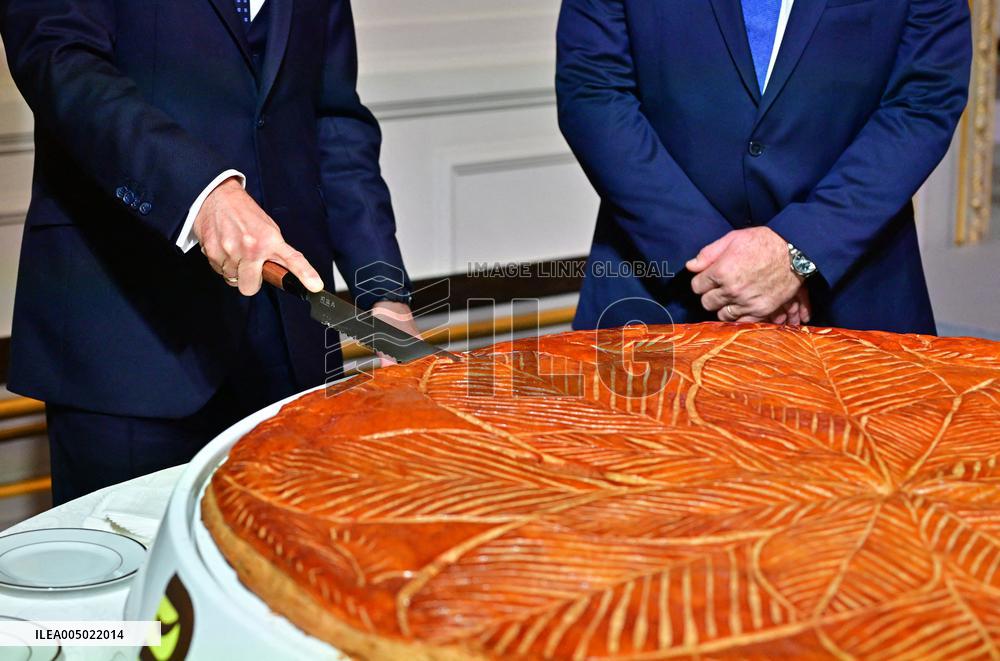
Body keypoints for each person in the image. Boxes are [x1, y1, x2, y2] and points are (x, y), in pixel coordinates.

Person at [1, 0, 417, 504]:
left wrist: (384, 292)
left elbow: (334, 120)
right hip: (125, 333)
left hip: (287, 343)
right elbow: (59, 61)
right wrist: (202, 193)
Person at [557, 0, 971, 333]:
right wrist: (725, 267)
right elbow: (592, 92)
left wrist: (800, 249)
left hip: (850, 288)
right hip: (659, 288)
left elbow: (924, 101)